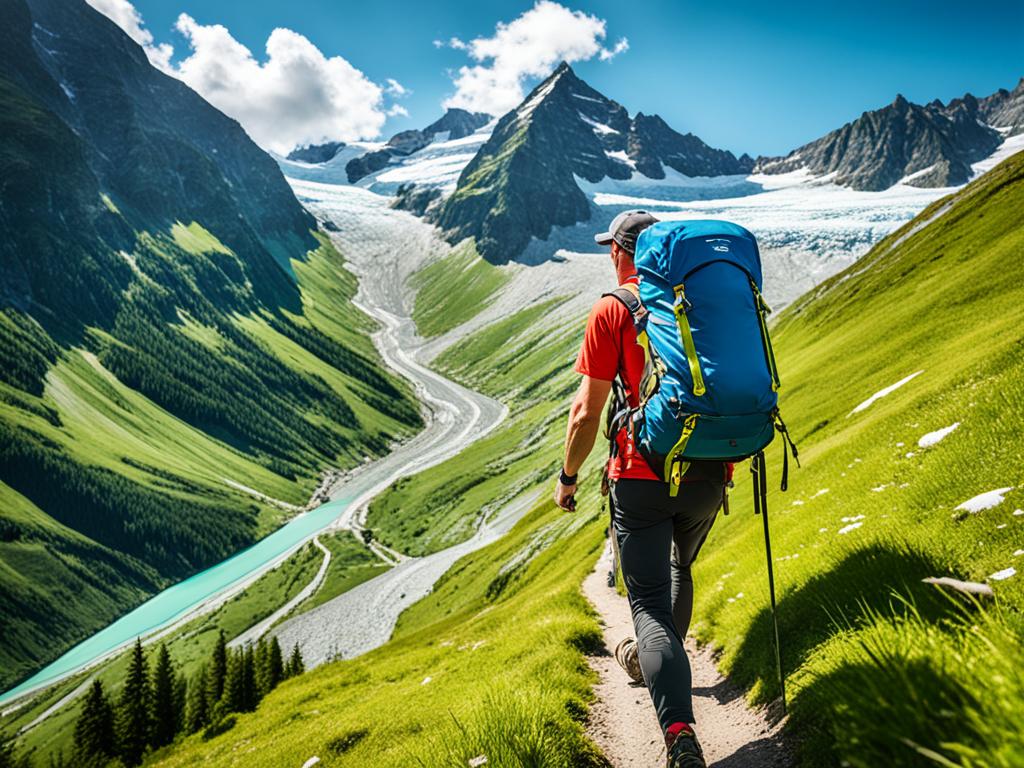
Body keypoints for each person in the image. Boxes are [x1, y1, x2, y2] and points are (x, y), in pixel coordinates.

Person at [554, 210, 731, 768]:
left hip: (640, 474)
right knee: (680, 566)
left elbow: (586, 412)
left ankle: (679, 731)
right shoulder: (698, 300)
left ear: (620, 252)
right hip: (707, 470)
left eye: (612, 247)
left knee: (648, 602)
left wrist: (568, 476)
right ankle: (653, 659)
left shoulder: (614, 308)